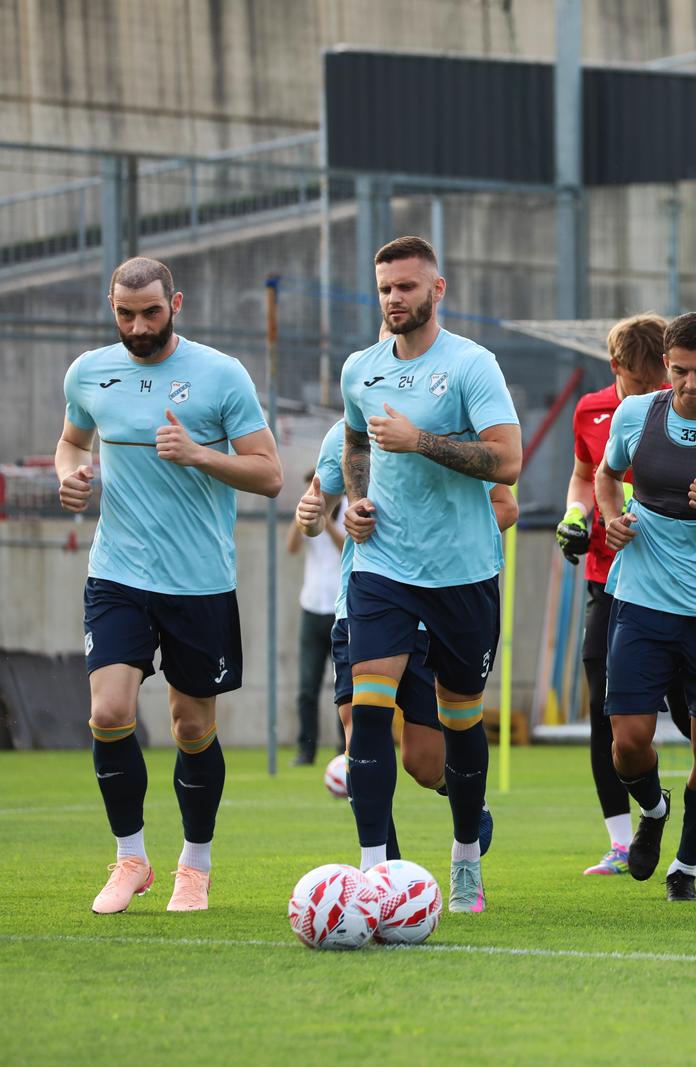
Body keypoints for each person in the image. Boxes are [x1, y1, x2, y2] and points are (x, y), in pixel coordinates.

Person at [58, 256, 283, 914]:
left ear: (175, 304)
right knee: (108, 712)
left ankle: (195, 865)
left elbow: (270, 474)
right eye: (125, 314)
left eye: (150, 312)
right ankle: (130, 858)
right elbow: (71, 441)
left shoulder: (221, 374)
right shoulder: (88, 372)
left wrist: (200, 454)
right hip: (117, 573)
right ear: (111, 306)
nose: (138, 326)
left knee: (191, 724)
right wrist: (70, 474)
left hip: (199, 582)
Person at [340, 235, 520, 913]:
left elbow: (507, 460)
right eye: (385, 288)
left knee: (460, 719)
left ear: (436, 290)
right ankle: (371, 874)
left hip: (462, 572)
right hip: (382, 567)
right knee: (368, 710)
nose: (394, 299)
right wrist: (357, 498)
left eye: (407, 287)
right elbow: (354, 438)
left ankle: (466, 856)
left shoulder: (472, 365)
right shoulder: (359, 368)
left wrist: (419, 441)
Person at [296, 406, 514, 859]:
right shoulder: (344, 435)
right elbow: (318, 515)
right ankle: (383, 872)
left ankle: (464, 798)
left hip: (434, 609)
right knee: (360, 723)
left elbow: (505, 506)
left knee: (423, 762)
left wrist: (433, 537)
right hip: (363, 603)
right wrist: (311, 517)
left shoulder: (453, 431)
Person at [594, 312, 696, 901]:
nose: (691, 383)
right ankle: (654, 810)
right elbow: (606, 475)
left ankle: (685, 867)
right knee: (628, 741)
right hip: (643, 598)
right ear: (666, 365)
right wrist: (612, 517)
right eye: (680, 371)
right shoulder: (637, 413)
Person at [555, 315, 696, 876]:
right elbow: (588, 475)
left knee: (694, 718)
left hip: (694, 591)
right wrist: (580, 516)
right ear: (617, 368)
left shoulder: (695, 410)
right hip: (613, 579)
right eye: (644, 382)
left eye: (660, 383)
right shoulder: (593, 410)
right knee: (609, 711)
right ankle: (624, 838)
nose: (657, 392)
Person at [287, 469, 342, 766]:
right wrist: (302, 517)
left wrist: (327, 520)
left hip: (340, 611)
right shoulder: (306, 515)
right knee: (307, 688)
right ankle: (306, 750)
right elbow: (291, 548)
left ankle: (344, 749)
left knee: (343, 686)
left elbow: (346, 547)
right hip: (312, 608)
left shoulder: (350, 509)